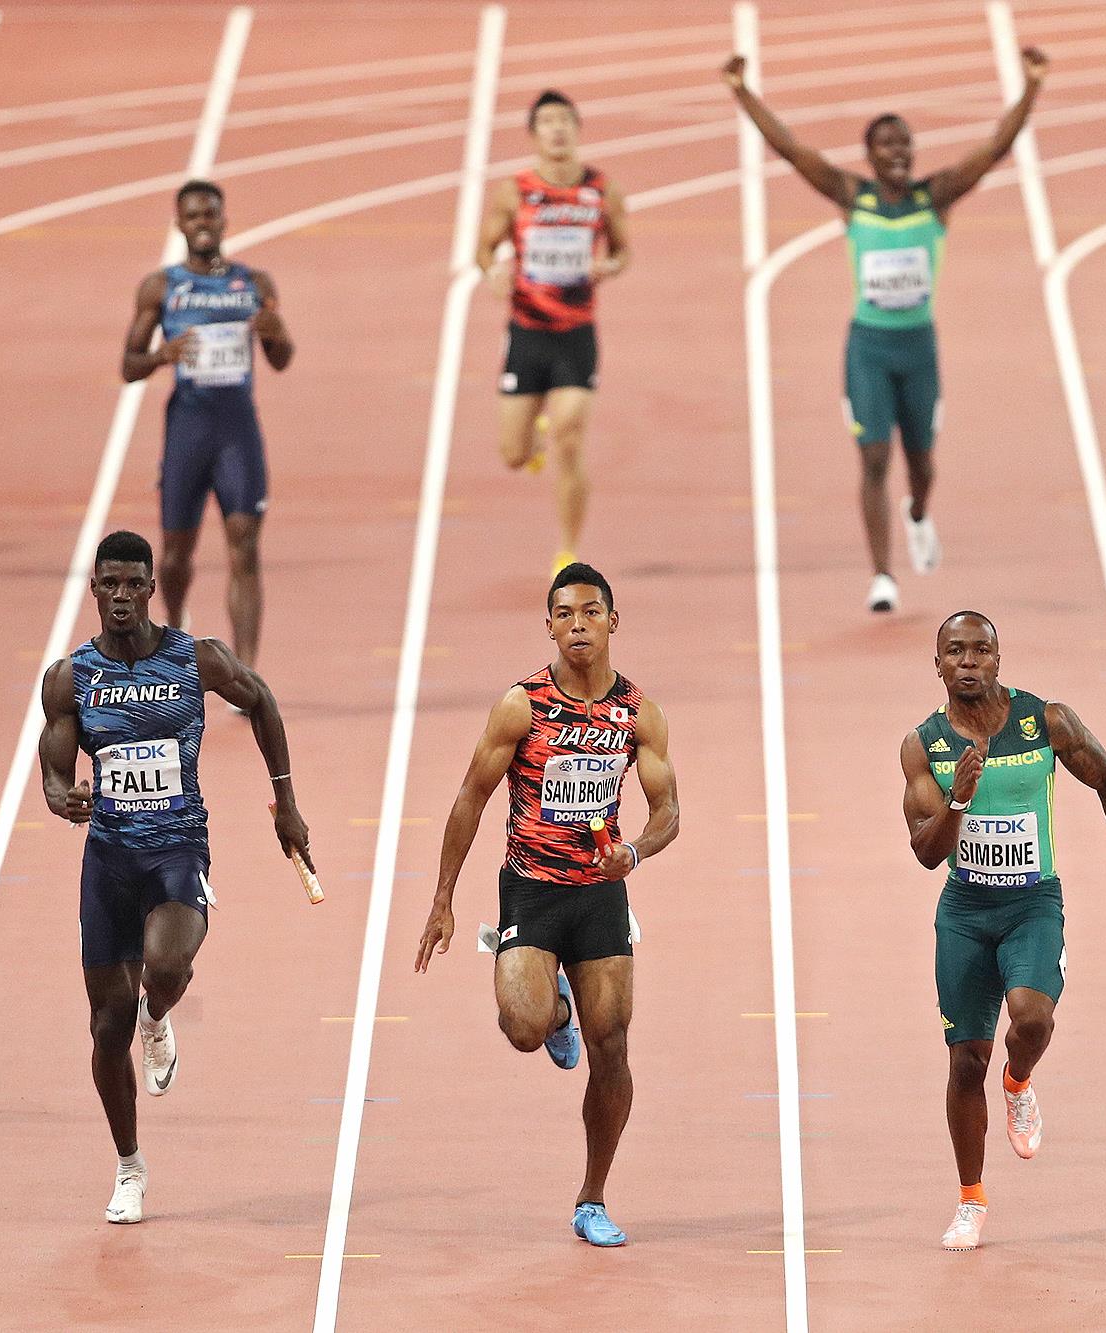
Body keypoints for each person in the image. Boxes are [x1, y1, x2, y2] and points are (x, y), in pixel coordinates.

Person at [37, 529, 314, 1223]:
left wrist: (286, 800)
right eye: (110, 584)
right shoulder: (71, 677)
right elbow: (53, 766)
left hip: (177, 849)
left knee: (165, 965)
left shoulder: (197, 658)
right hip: (108, 859)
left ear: (152, 587)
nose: (122, 596)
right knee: (104, 1029)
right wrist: (60, 794)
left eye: (135, 583)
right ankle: (130, 1166)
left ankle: (156, 1015)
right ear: (94, 589)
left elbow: (263, 702)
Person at [724, 49, 1048, 613]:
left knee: (920, 463)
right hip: (869, 348)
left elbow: (996, 147)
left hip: (919, 348)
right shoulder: (853, 198)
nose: (899, 153)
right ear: (869, 156)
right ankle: (882, 576)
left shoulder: (936, 195)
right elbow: (790, 149)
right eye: (887, 145)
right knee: (874, 460)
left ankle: (918, 513)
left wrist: (1031, 87)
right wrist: (743, 92)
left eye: (906, 144)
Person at [414, 562, 678, 1244]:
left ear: (613, 621)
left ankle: (592, 1197)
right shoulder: (522, 705)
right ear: (551, 625)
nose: (578, 623)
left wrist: (637, 851)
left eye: (591, 611)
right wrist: (442, 899)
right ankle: (554, 1006)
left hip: (599, 893)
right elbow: (471, 795)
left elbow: (669, 808)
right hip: (531, 887)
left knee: (613, 1046)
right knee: (524, 1026)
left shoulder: (637, 713)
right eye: (565, 613)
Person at [900, 611, 1106, 1251]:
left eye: (980, 651)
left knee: (1032, 1019)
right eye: (954, 652)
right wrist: (959, 799)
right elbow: (926, 853)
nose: (968, 662)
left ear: (999, 659)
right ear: (937, 665)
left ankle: (1019, 1081)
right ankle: (971, 1200)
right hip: (964, 910)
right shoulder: (923, 744)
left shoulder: (1046, 722)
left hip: (1031, 903)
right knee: (966, 1061)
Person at [121, 179, 294, 667]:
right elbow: (128, 365)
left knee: (245, 548)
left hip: (238, 433)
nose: (202, 224)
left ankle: (247, 669)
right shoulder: (162, 287)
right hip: (187, 434)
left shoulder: (254, 285)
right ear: (179, 224)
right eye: (193, 216)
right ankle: (176, 636)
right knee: (174, 557)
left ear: (223, 219)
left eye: (210, 215)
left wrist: (277, 334)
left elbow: (280, 359)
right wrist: (161, 356)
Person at [477, 91, 630, 574]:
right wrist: (493, 271)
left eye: (565, 119)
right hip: (526, 334)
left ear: (577, 128)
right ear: (534, 134)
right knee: (513, 455)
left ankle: (567, 548)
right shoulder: (514, 191)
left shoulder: (602, 190)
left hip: (576, 335)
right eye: (546, 122)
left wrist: (610, 265)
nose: (557, 129)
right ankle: (532, 440)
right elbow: (484, 249)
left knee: (570, 436)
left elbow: (624, 250)